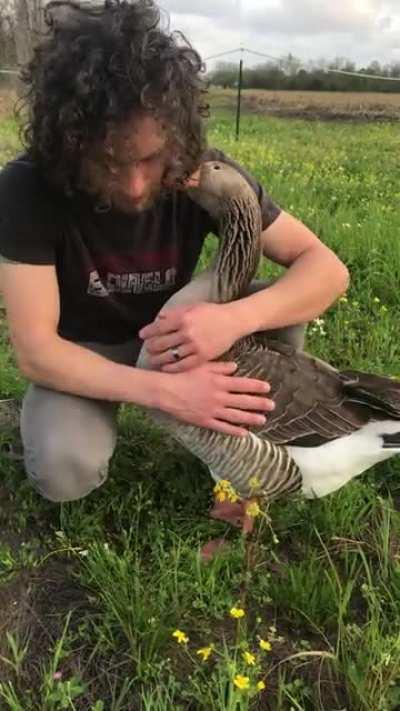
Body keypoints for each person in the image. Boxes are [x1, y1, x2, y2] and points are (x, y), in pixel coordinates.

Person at [0, 0, 349, 503]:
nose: (137, 185)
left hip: (186, 337)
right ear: (69, 141)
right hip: (88, 351)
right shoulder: (28, 187)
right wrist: (165, 393)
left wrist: (233, 321)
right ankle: (166, 408)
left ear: (176, 136)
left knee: (284, 306)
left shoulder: (198, 172)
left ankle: (246, 436)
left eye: (150, 159)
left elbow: (328, 271)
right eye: (108, 162)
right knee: (64, 469)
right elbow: (35, 351)